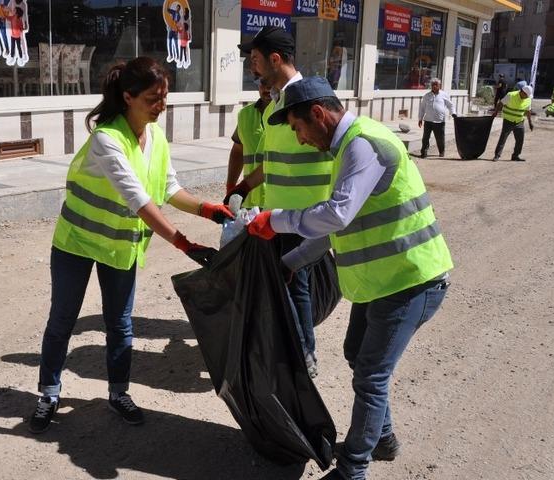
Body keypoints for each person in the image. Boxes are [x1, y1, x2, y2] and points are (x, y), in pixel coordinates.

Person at [245, 76, 453, 480]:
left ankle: (353, 469)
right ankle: (383, 440)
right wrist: (293, 262)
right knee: (358, 355)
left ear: (318, 115)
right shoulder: (345, 150)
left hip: (413, 280)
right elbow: (334, 227)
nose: (300, 139)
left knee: (371, 374)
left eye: (298, 128)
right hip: (384, 281)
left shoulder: (363, 145)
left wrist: (275, 220)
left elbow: (335, 214)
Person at [28, 57, 233, 434]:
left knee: (120, 325)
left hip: (119, 246)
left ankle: (118, 393)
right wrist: (184, 244)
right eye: (153, 99)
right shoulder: (107, 138)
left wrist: (208, 209)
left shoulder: (155, 137)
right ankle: (49, 393)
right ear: (128, 97)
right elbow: (138, 199)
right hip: (77, 243)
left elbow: (168, 187)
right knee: (63, 320)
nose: (162, 105)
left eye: (165, 96)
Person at [227, 26, 336, 377]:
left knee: (296, 286)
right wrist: (244, 187)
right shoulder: (275, 102)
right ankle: (293, 351)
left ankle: (304, 356)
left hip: (307, 213)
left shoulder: (308, 99)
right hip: (279, 214)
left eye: (256, 60)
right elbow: (272, 162)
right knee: (287, 285)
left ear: (275, 59)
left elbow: (340, 149)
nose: (252, 68)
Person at [226, 76, 272, 208]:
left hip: (277, 201)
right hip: (249, 200)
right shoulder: (245, 115)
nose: (267, 88)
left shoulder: (289, 116)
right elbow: (238, 150)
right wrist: (231, 186)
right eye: (263, 83)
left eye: (271, 83)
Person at [493, 84, 534, 161]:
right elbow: (500, 103)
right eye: (526, 95)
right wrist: (495, 112)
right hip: (508, 120)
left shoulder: (528, 99)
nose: (527, 97)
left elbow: (528, 111)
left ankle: (515, 156)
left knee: (520, 140)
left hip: (519, 121)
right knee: (503, 138)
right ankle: (497, 155)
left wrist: (530, 123)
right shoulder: (511, 95)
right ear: (522, 92)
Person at [418, 78, 457, 158]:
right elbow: (422, 108)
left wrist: (453, 113)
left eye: (436, 84)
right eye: (433, 85)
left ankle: (441, 151)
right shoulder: (427, 96)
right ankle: (423, 152)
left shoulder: (444, 95)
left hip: (439, 121)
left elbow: (450, 105)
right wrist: (420, 118)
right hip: (428, 120)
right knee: (425, 138)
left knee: (440, 138)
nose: (434, 86)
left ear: (440, 86)